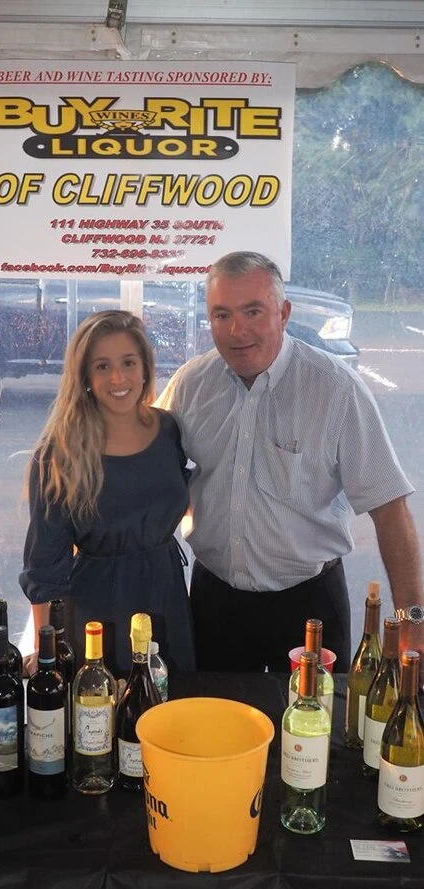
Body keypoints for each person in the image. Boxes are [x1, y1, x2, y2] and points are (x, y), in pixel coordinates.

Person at [158, 251, 424, 680]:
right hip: (214, 604)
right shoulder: (190, 385)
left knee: (319, 722)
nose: (237, 330)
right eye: (222, 314)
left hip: (311, 608)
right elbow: (142, 464)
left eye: (253, 311)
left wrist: (413, 621)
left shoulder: (336, 390)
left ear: (283, 313)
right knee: (214, 719)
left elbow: (390, 507)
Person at [19, 310, 196, 678]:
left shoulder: (168, 430)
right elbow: (45, 568)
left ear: (145, 368)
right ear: (85, 376)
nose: (118, 378)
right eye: (102, 366)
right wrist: (44, 650)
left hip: (167, 602)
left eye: (128, 362)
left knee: (171, 702)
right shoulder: (59, 455)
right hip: (98, 616)